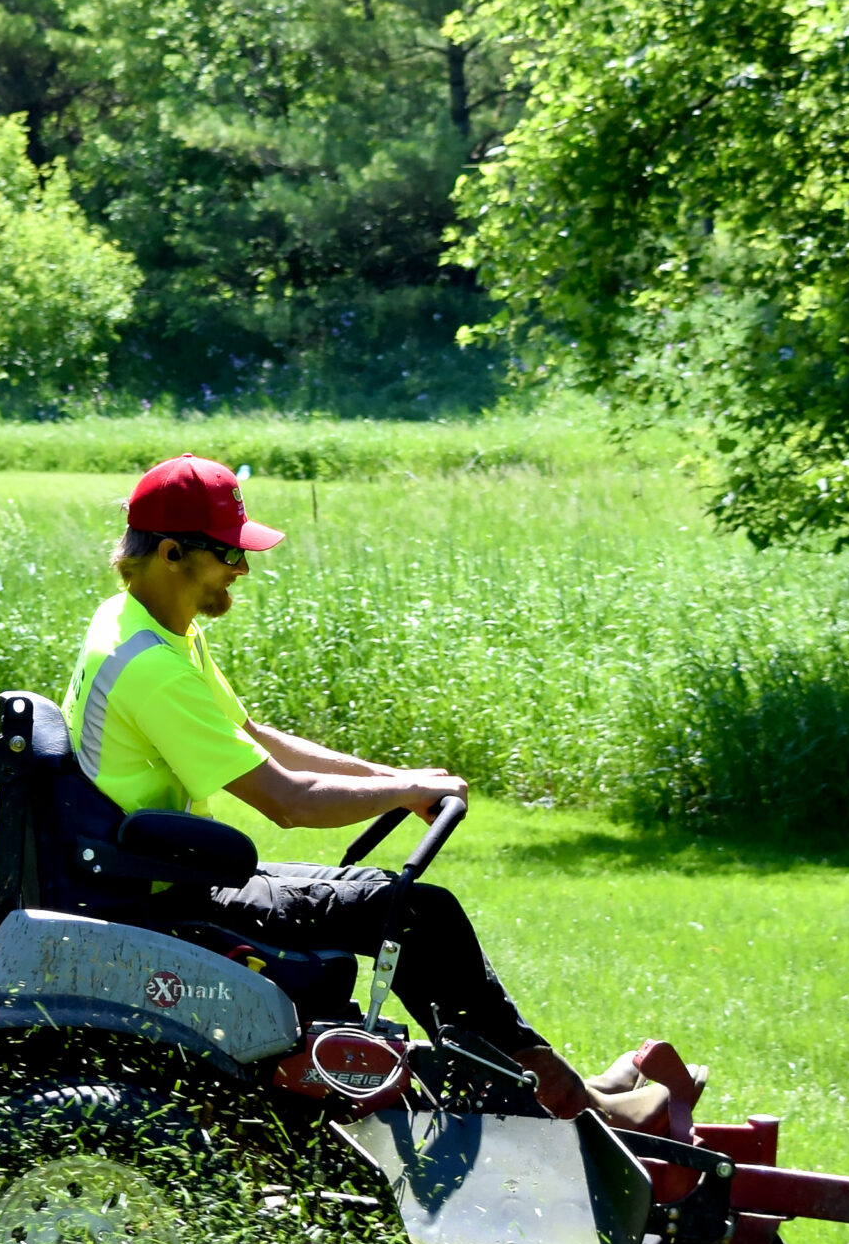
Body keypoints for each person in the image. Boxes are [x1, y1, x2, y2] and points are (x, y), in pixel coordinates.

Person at [64, 454, 677, 1131]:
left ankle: (551, 1088)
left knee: (411, 912)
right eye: (229, 554)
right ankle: (570, 1109)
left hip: (156, 876)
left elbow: (257, 736)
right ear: (173, 552)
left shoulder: (145, 627)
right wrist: (406, 789)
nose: (242, 569)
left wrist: (393, 783)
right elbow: (287, 800)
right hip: (156, 901)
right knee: (418, 916)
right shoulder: (153, 668)